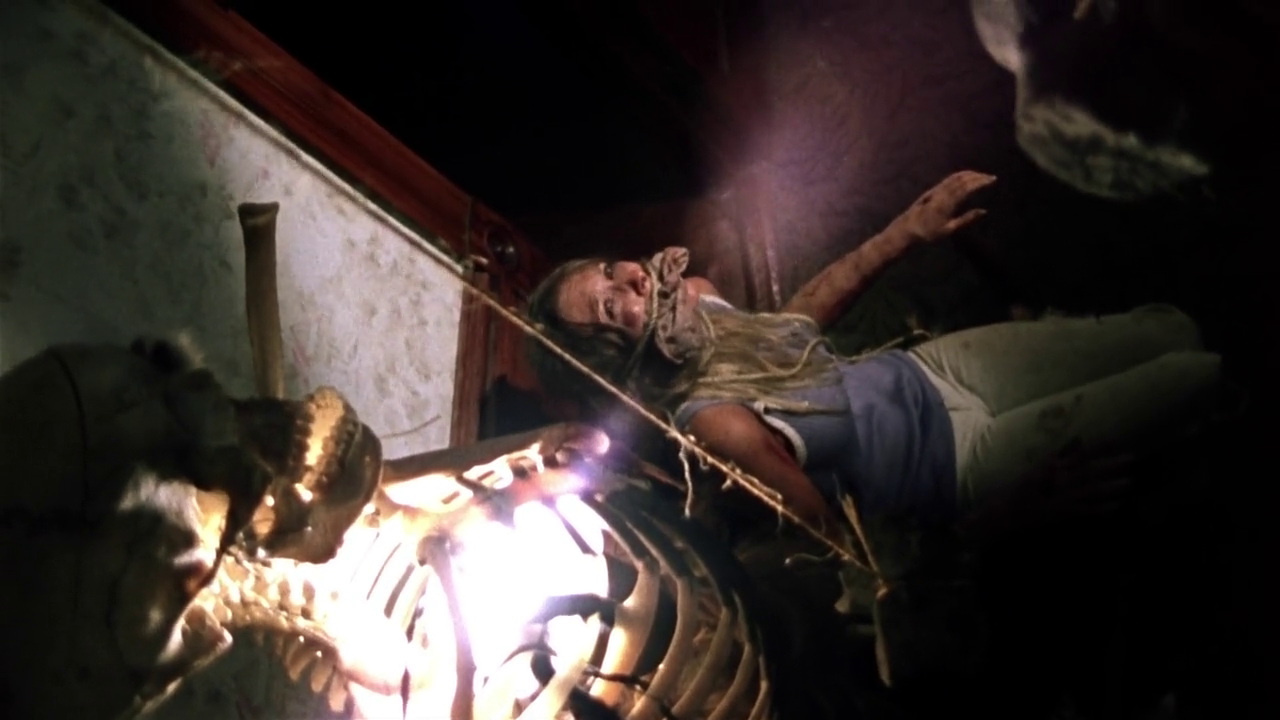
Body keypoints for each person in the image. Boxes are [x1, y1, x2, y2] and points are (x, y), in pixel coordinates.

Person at [523, 171, 1224, 539]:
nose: (633, 278)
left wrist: (906, 231)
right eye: (610, 307)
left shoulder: (699, 298)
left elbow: (791, 327)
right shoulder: (714, 424)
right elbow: (854, 561)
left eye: (610, 270)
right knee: (1198, 374)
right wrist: (1009, 516)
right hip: (958, 463)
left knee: (1170, 328)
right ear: (615, 365)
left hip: (933, 373)